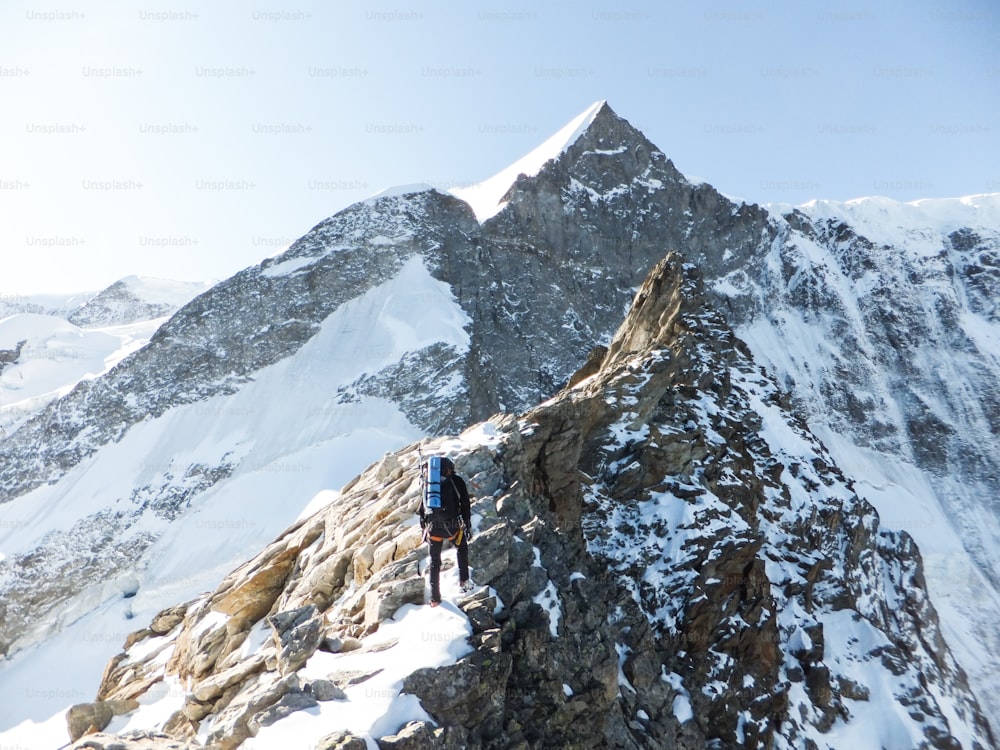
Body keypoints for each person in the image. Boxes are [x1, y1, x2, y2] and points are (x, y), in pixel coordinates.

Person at [418, 457, 472, 606]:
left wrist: (424, 527)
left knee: (435, 562)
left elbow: (422, 507)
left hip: (433, 529)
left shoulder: (428, 482)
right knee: (462, 548)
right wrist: (467, 524)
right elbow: (465, 503)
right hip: (453, 527)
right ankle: (464, 581)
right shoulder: (456, 481)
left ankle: (435, 598)